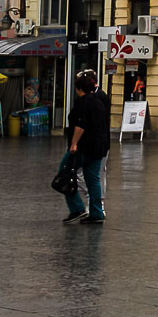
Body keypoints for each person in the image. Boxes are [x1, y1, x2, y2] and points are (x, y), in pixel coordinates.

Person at [59, 69, 109, 225]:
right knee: (93, 180)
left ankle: (77, 208)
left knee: (64, 173)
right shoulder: (100, 100)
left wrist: (74, 144)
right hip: (98, 147)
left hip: (83, 147)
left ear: (79, 88)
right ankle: (96, 212)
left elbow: (80, 126)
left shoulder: (83, 102)